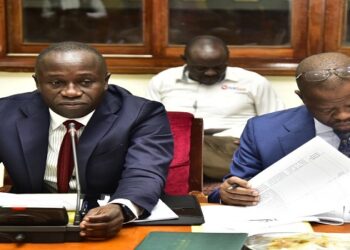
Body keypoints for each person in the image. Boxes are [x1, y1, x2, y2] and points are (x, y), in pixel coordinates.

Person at [0, 41, 173, 240]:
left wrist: (121, 208)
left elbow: (145, 172)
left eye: (86, 82)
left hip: (110, 222)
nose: (71, 92)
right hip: (32, 225)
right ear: (37, 82)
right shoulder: (5, 114)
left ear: (106, 81)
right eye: (56, 83)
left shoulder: (141, 114)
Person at [208, 52, 350, 205]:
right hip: (302, 224)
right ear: (302, 98)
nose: (343, 115)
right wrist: (229, 194)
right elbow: (236, 186)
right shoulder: (263, 130)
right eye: (326, 109)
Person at [146, 35, 284, 180]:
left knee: (179, 153)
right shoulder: (162, 81)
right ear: (185, 60)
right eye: (201, 68)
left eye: (218, 67)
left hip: (231, 145)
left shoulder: (253, 82)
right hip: (179, 143)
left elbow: (276, 122)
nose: (210, 73)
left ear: (227, 60)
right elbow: (148, 124)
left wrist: (253, 140)